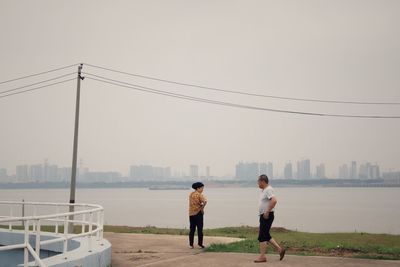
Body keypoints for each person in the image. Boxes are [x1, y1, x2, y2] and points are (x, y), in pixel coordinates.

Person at [254, 174, 286, 263]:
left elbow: (274, 200)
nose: (258, 184)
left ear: (263, 181)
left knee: (262, 236)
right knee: (266, 235)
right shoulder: (264, 190)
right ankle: (280, 250)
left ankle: (262, 257)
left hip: (267, 215)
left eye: (258, 182)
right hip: (264, 215)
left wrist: (267, 211)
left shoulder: (268, 190)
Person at [188, 182, 207, 249]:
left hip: (191, 214)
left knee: (192, 229)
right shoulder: (199, 194)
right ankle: (200, 244)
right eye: (202, 188)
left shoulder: (191, 194)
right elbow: (205, 201)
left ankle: (191, 244)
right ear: (198, 188)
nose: (202, 190)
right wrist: (202, 208)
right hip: (198, 213)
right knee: (200, 229)